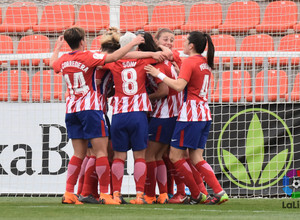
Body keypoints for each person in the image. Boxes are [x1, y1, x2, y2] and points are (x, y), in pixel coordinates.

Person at [50, 26, 144, 205]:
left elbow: (51, 63)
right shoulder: (89, 57)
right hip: (91, 109)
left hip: (71, 109)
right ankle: (104, 194)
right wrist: (132, 42)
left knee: (79, 153)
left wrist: (57, 48)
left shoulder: (63, 59)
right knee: (101, 152)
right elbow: (116, 57)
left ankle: (69, 193)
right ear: (82, 41)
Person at [145, 31, 229, 205]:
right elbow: (192, 84)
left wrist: (158, 73)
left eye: (184, 42)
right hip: (204, 113)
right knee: (196, 157)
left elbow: (178, 85)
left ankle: (198, 194)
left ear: (191, 45)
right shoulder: (204, 62)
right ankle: (219, 192)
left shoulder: (190, 61)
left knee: (175, 156)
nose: (181, 44)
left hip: (191, 114)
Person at [138, 32, 179, 204]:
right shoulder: (166, 61)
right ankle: (162, 194)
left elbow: (163, 91)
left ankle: (149, 195)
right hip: (171, 114)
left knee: (149, 155)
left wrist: (144, 98)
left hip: (163, 114)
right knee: (159, 156)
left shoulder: (158, 65)